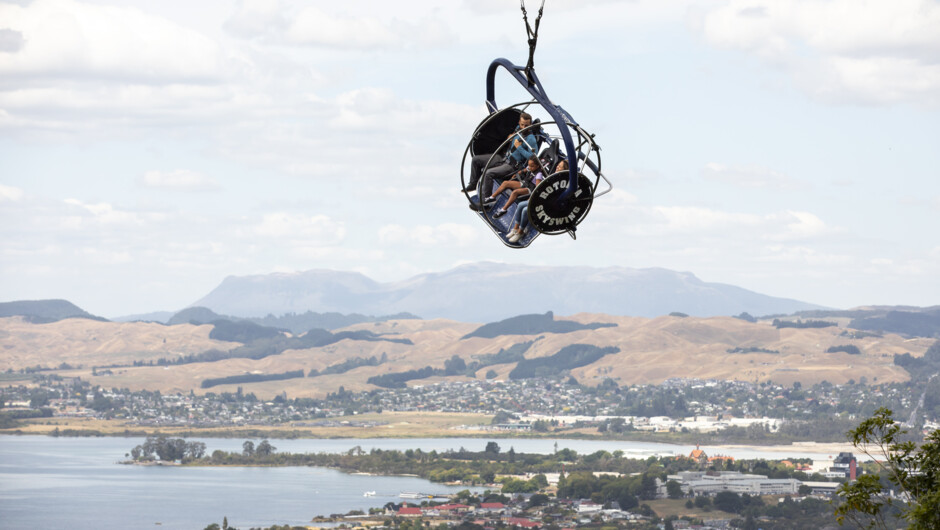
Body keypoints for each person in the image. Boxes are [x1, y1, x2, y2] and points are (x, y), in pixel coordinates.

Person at [464, 112, 537, 196]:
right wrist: (510, 137)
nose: (524, 128)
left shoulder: (531, 139)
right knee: (476, 160)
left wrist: (519, 148)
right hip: (503, 158)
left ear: (530, 125)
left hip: (512, 166)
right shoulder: (518, 129)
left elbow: (533, 158)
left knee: (488, 173)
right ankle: (473, 183)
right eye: (522, 125)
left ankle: (485, 200)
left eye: (526, 126)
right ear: (519, 123)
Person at [507, 159, 568, 243]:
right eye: (558, 165)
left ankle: (520, 232)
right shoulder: (553, 176)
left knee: (525, 210)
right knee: (521, 205)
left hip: (547, 203)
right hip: (540, 198)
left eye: (560, 167)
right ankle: (515, 229)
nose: (557, 167)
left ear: (564, 169)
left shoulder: (561, 181)